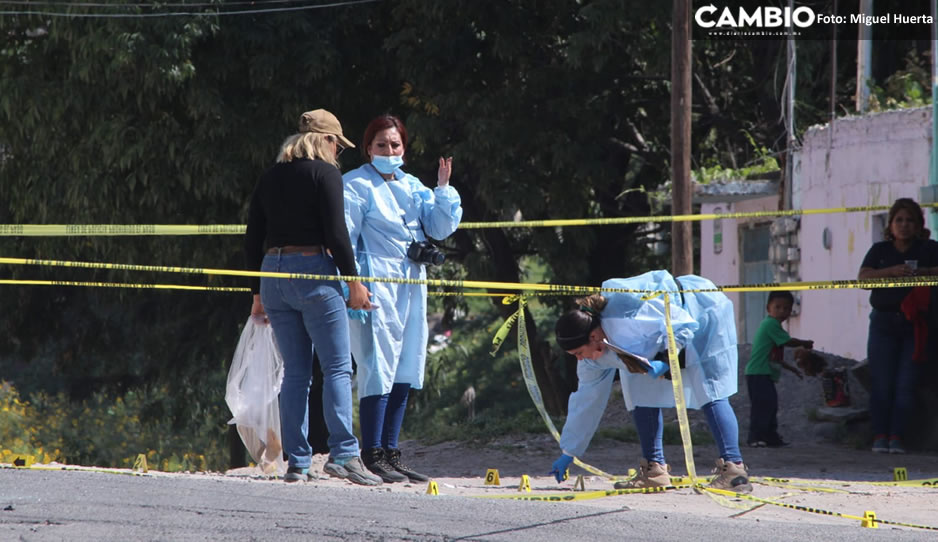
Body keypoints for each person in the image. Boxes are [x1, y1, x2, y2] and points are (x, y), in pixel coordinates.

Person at [244, 109, 381, 485]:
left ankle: (298, 463)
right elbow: (337, 235)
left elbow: (253, 236)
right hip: (313, 273)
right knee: (338, 367)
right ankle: (345, 455)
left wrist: (256, 295)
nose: (338, 152)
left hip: (272, 275)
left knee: (296, 373)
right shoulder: (326, 174)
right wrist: (354, 283)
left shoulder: (270, 177)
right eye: (337, 144)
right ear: (326, 141)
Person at [549, 270, 752, 493]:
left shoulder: (626, 314)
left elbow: (683, 325)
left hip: (701, 312)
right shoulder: (592, 359)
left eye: (579, 352)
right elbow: (587, 401)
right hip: (660, 337)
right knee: (638, 390)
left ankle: (735, 471)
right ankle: (654, 471)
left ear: (594, 337)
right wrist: (569, 452)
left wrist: (666, 360)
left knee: (710, 390)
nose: (580, 359)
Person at [343, 114, 462, 482]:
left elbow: (440, 228)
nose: (389, 150)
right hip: (376, 282)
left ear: (404, 149)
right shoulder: (355, 185)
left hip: (411, 280)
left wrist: (442, 189)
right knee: (378, 363)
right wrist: (352, 285)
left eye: (395, 145)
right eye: (382, 145)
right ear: (368, 148)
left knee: (406, 363)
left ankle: (392, 451)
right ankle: (372, 451)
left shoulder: (413, 186)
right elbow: (344, 238)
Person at [858, 197, 938, 454]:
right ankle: (879, 436)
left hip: (915, 325)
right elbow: (863, 278)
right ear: (890, 224)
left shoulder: (929, 248)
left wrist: (922, 273)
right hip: (883, 323)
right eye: (899, 220)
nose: (904, 225)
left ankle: (897, 438)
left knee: (906, 383)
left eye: (910, 220)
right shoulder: (880, 251)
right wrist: (890, 272)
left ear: (918, 225)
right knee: (882, 382)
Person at [744, 290, 813, 448]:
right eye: (778, 307)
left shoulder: (775, 328)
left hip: (763, 373)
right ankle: (755, 437)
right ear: (768, 308)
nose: (782, 311)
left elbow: (776, 358)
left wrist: (793, 370)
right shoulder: (770, 324)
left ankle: (770, 437)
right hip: (758, 372)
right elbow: (788, 342)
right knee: (763, 406)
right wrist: (804, 343)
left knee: (770, 405)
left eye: (786, 308)